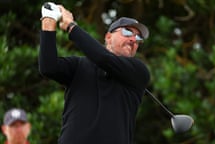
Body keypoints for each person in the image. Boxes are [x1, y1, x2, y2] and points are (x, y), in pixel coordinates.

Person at [39, 2, 150, 144]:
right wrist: (49, 21)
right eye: (127, 32)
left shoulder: (139, 71)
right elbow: (48, 67)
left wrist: (71, 26)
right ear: (108, 37)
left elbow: (103, 58)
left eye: (139, 38)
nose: (134, 39)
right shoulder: (79, 65)